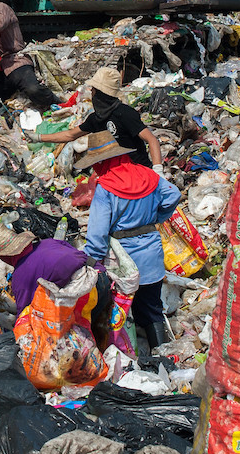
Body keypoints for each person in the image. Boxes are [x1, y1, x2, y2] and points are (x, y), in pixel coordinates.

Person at [77, 132, 181, 359]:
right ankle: (160, 357)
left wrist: (89, 263)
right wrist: (157, 217)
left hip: (122, 261)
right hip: (152, 254)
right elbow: (174, 194)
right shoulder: (148, 175)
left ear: (103, 161)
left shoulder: (106, 188)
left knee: (120, 312)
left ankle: (126, 360)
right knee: (152, 308)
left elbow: (97, 233)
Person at [0, 224, 115, 350]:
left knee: (82, 341)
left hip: (88, 291)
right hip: (100, 275)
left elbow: (24, 315)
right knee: (99, 331)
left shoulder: (20, 276)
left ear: (4, 257)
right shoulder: (48, 242)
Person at [33, 67, 163, 169]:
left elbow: (151, 139)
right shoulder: (96, 119)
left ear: (101, 94)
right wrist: (39, 138)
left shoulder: (125, 114)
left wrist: (157, 169)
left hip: (138, 170)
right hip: (115, 173)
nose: (92, 94)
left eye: (94, 90)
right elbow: (70, 135)